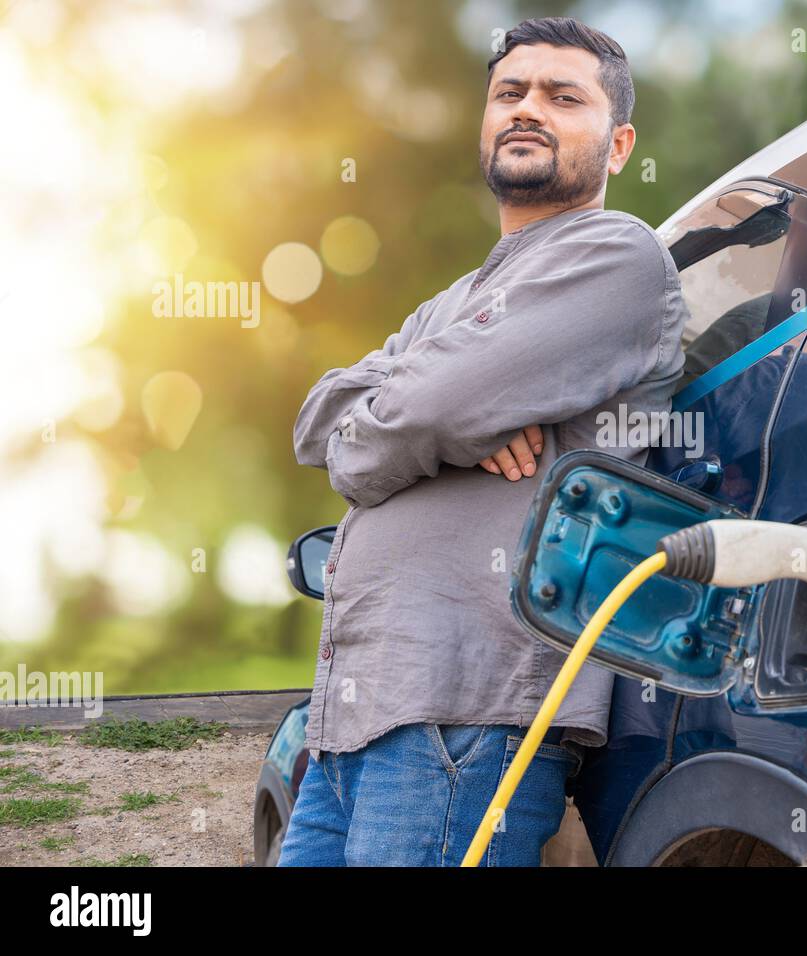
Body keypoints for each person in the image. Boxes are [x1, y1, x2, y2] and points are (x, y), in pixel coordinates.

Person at [278, 17, 689, 867]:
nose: (527, 108)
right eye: (510, 93)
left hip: (468, 715)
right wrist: (453, 410)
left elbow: (415, 415)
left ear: (618, 145)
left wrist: (427, 412)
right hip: (354, 719)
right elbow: (318, 417)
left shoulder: (618, 256)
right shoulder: (451, 301)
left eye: (562, 96)